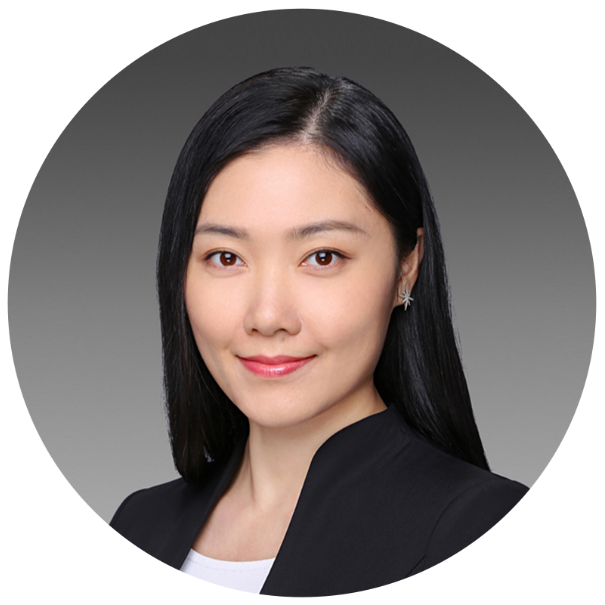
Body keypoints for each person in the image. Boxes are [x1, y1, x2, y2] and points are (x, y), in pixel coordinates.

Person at [110, 67, 529, 596]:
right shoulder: (139, 523)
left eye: (322, 257)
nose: (268, 316)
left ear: (406, 266)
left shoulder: (473, 525)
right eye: (226, 257)